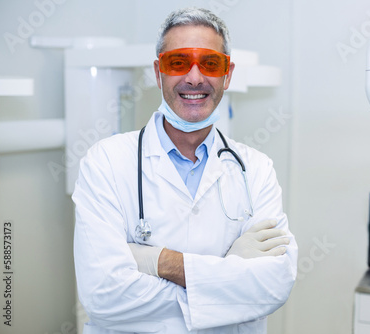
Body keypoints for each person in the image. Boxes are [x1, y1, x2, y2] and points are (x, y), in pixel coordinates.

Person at [73, 7, 297, 334]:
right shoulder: (106, 162)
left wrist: (157, 261)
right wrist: (229, 276)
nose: (194, 78)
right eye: (178, 62)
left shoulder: (257, 170)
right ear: (158, 71)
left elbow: (274, 286)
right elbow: (103, 295)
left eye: (210, 63)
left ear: (227, 74)